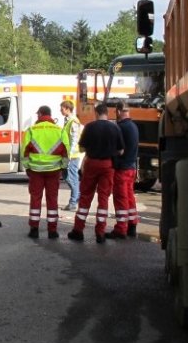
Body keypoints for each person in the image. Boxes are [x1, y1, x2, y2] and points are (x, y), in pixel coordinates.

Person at [68, 103, 124, 244]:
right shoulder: (115, 127)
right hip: (108, 165)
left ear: (96, 113)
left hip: (92, 163)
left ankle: (78, 230)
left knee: (86, 196)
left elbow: (81, 148)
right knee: (103, 198)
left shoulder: (90, 127)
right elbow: (121, 150)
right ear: (107, 113)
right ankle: (100, 232)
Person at [21, 105, 69, 239]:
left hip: (36, 170)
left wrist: (27, 167)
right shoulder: (59, 131)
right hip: (54, 171)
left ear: (41, 114)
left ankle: (34, 229)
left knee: (35, 199)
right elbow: (66, 151)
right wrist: (63, 166)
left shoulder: (31, 130)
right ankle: (52, 231)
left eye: (38, 114)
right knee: (52, 199)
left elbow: (24, 151)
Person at [107, 101, 140, 239]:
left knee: (121, 199)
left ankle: (121, 229)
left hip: (121, 169)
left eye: (116, 112)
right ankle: (132, 225)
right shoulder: (133, 126)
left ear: (119, 111)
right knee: (130, 197)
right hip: (131, 167)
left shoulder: (120, 127)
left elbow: (117, 149)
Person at [60, 100, 82, 211]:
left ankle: (74, 201)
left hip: (72, 156)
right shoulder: (67, 120)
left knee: (71, 177)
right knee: (66, 176)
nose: (60, 110)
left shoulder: (73, 121)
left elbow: (74, 139)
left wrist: (70, 154)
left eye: (62, 108)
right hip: (67, 155)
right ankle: (77, 195)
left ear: (68, 109)